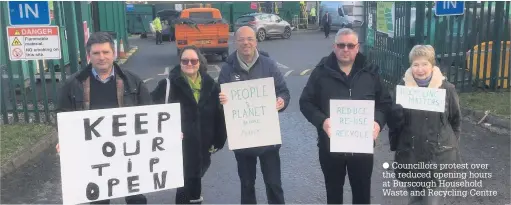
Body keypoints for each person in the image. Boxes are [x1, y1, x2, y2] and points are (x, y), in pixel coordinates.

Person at [55, 32, 152, 204]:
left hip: (129, 150)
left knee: (136, 197)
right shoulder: (73, 84)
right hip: (94, 153)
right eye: (96, 53)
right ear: (88, 56)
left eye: (106, 52)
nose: (102, 57)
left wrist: (166, 134)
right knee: (99, 199)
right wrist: (64, 139)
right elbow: (63, 114)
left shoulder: (133, 81)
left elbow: (150, 113)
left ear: (113, 53)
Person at [299, 28, 392, 204]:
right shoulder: (321, 72)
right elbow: (305, 102)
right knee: (333, 194)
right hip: (330, 146)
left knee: (362, 194)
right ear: (334, 46)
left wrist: (378, 123)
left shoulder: (370, 72)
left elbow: (385, 103)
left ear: (357, 48)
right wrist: (322, 121)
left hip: (361, 146)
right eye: (341, 45)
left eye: (350, 45)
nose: (346, 49)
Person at [217, 26, 290, 204]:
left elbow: (284, 92)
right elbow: (219, 103)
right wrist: (221, 101)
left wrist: (281, 101)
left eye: (249, 39)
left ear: (256, 41)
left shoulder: (269, 64)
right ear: (236, 42)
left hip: (268, 139)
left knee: (273, 184)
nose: (246, 43)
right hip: (243, 140)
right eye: (241, 39)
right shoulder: (227, 69)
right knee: (247, 184)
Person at [150, 45, 227, 204]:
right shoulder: (167, 86)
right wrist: (167, 133)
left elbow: (219, 116)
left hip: (202, 149)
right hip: (179, 148)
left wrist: (218, 141)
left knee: (195, 185)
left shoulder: (212, 86)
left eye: (193, 60)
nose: (189, 64)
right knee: (184, 189)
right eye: (185, 60)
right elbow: (151, 112)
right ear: (180, 62)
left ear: (200, 62)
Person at [387, 45, 462, 205]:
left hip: (438, 158)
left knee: (431, 202)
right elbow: (394, 126)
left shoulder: (447, 89)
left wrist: (451, 146)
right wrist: (396, 115)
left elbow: (455, 120)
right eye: (415, 64)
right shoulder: (401, 88)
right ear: (410, 66)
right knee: (414, 200)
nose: (420, 69)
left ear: (432, 65)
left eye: (424, 64)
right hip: (410, 156)